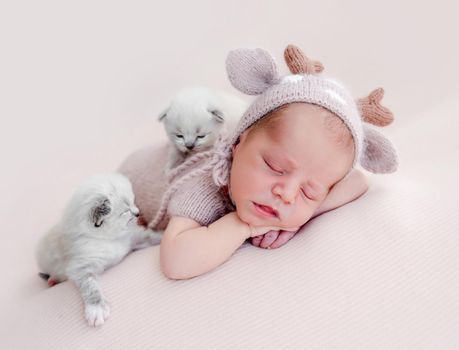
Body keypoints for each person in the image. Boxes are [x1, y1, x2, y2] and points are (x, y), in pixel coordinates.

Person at [119, 44, 398, 280]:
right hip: (131, 184)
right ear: (239, 143)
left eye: (308, 191)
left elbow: (358, 181)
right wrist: (246, 226)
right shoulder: (206, 185)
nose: (286, 194)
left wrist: (300, 215)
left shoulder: (288, 184)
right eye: (276, 167)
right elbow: (176, 262)